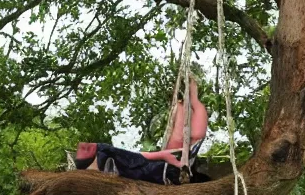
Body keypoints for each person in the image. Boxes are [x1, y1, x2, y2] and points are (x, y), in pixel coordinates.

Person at [72, 76, 210, 184]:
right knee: (107, 152)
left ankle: (96, 165)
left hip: (171, 170)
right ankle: (94, 164)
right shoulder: (187, 108)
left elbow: (184, 139)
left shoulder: (184, 107)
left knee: (105, 152)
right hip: (167, 166)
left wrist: (192, 94)